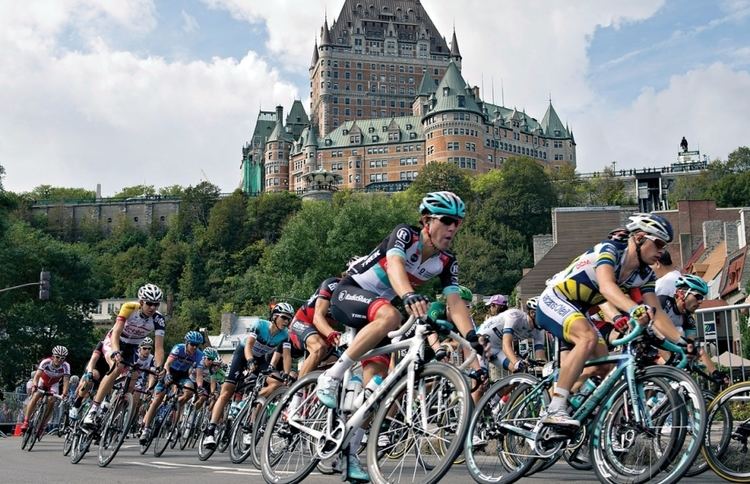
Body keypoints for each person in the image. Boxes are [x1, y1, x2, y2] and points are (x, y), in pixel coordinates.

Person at [315, 191, 481, 482]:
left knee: (376, 388)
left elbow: (455, 303)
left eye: (458, 223)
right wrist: (407, 294)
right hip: (350, 293)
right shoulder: (406, 234)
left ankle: (350, 455)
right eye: (448, 221)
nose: (454, 228)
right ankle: (330, 376)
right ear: (427, 221)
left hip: (378, 310)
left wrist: (473, 338)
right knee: (391, 316)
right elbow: (394, 265)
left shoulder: (445, 262)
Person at [537, 212, 686, 428]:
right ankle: (555, 409)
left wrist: (683, 343)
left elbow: (658, 313)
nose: (662, 252)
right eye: (659, 244)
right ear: (640, 237)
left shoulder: (645, 275)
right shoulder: (612, 250)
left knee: (604, 367)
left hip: (580, 310)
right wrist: (634, 310)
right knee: (587, 338)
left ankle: (566, 408)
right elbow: (607, 287)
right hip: (556, 299)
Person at [202, 302, 294, 448]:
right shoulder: (260, 325)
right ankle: (210, 431)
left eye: (289, 319)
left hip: (260, 359)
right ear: (274, 317)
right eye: (284, 317)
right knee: (227, 391)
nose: (286, 321)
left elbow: (287, 356)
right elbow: (249, 345)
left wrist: (288, 374)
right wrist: (250, 360)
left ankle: (249, 418)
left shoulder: (285, 336)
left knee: (276, 383)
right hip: (243, 354)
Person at [83, 283, 166, 427]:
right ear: (141, 302)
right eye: (149, 303)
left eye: (156, 304)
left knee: (133, 377)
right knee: (117, 366)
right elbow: (116, 332)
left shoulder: (159, 319)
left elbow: (158, 348)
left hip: (132, 347)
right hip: (115, 341)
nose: (153, 307)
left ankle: (108, 413)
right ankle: (93, 409)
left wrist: (159, 367)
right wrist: (115, 351)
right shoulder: (129, 308)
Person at [139, 331, 204, 444]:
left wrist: (199, 386)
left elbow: (199, 374)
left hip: (183, 375)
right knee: (158, 399)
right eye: (192, 344)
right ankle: (146, 429)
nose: (194, 347)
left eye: (196, 345)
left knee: (189, 391)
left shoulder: (199, 355)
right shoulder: (178, 348)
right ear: (186, 343)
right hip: (170, 372)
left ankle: (175, 407)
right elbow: (167, 364)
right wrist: (167, 374)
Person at [478, 301, 546, 373]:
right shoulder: (515, 316)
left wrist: (543, 368)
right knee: (480, 377)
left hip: (497, 350)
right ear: (532, 313)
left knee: (519, 372)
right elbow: (506, 345)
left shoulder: (539, 331)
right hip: (481, 343)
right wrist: (517, 363)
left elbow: (540, 358)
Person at [22, 346, 70, 433]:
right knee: (36, 395)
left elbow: (66, 380)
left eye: (62, 358)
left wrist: (64, 394)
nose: (59, 360)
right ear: (53, 356)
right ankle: (26, 421)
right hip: (43, 380)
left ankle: (43, 424)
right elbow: (37, 375)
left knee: (52, 400)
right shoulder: (46, 362)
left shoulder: (66, 366)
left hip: (53, 384)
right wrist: (35, 385)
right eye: (57, 357)